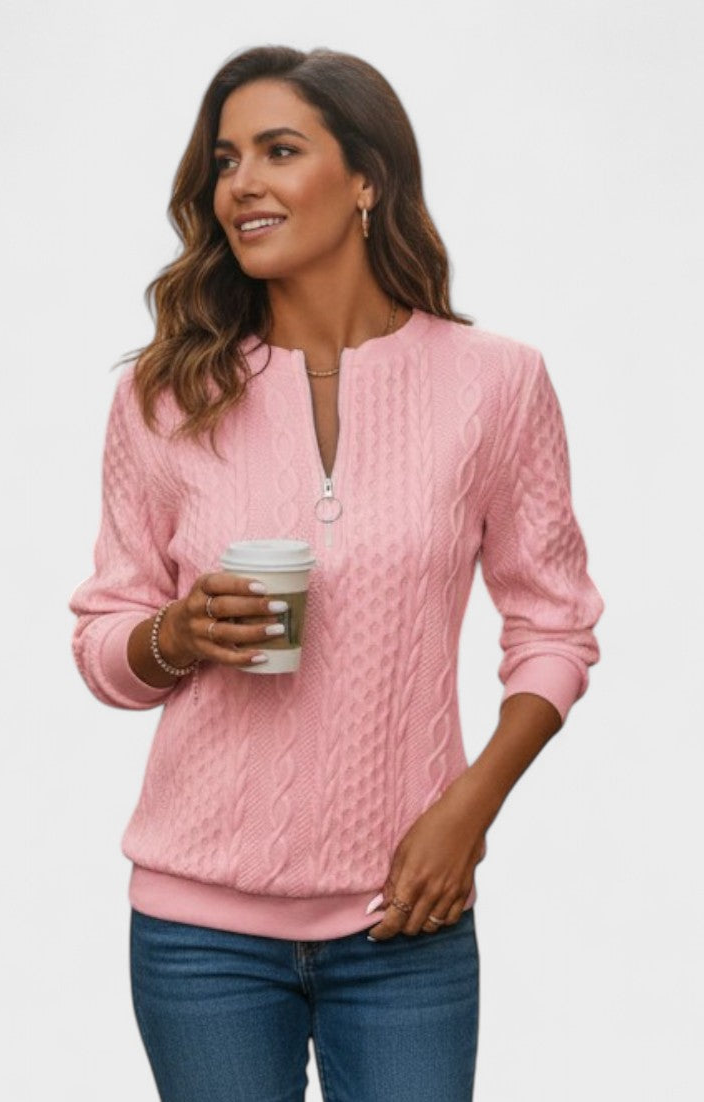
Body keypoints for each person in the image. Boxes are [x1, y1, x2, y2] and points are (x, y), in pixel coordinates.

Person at [69, 44, 604, 1102]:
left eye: (278, 150)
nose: (241, 184)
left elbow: (555, 627)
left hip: (406, 911)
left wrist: (468, 809)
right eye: (226, 160)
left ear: (367, 178)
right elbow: (102, 640)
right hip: (197, 932)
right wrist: (174, 634)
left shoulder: (497, 383)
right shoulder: (163, 393)